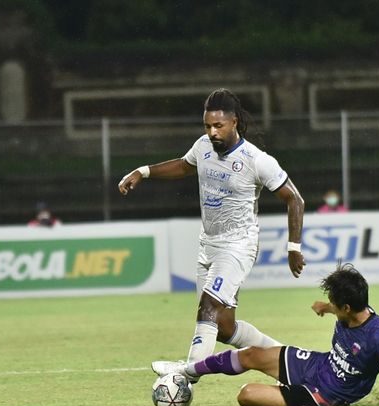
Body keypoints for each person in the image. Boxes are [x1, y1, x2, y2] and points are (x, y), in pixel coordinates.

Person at [118, 88, 306, 371]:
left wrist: (294, 248)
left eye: (218, 126)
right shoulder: (203, 146)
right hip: (208, 244)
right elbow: (183, 166)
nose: (212, 132)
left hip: (238, 245)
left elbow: (295, 199)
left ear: (234, 123)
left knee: (208, 307)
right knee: (224, 328)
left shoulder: (257, 160)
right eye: (207, 126)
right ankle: (290, 359)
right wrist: (142, 172)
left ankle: (185, 375)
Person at [154, 263, 379, 406]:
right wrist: (326, 308)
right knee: (251, 354)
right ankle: (186, 370)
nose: (329, 303)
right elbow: (340, 309)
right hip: (318, 366)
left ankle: (285, 392)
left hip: (324, 394)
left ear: (347, 308)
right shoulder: (351, 309)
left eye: (333, 302)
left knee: (246, 395)